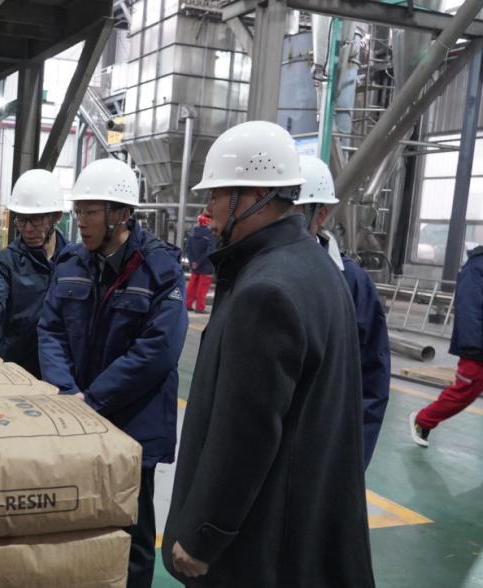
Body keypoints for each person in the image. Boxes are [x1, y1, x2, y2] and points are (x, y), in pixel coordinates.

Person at [162, 121, 374, 587]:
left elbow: (246, 433)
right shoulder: (315, 267)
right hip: (304, 533)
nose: (208, 210)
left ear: (256, 194)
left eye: (217, 194)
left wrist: (204, 535)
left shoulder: (266, 291)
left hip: (262, 545)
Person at [37, 158, 187, 588]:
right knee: (78, 520)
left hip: (133, 422)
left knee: (133, 531)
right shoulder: (70, 262)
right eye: (78, 211)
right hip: (75, 414)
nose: (80, 221)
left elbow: (158, 350)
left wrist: (94, 400)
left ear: (120, 214)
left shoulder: (160, 269)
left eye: (90, 212)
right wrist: (66, 392)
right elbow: (50, 329)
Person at [295, 155, 390, 468]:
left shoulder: (352, 283)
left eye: (291, 212)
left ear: (320, 214)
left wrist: (349, 464)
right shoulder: (250, 268)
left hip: (319, 454)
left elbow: (371, 381)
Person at [0, 169, 67, 377]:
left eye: (36, 220)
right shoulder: (4, 263)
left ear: (56, 216)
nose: (27, 229)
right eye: (21, 220)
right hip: (15, 372)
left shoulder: (75, 261)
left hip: (63, 374)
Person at [410, 245, 483, 446]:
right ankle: (423, 420)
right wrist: (473, 345)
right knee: (466, 390)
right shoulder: (476, 267)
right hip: (476, 345)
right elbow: (468, 308)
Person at [184, 212, 216, 313]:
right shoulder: (210, 235)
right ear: (208, 222)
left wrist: (193, 262)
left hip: (194, 266)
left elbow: (188, 249)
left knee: (192, 286)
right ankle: (200, 308)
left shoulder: (192, 233)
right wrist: (198, 262)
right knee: (203, 288)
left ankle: (187, 305)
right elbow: (209, 251)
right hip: (206, 266)